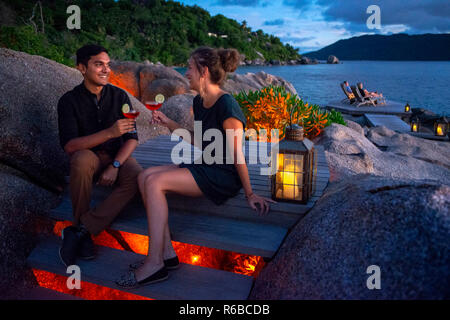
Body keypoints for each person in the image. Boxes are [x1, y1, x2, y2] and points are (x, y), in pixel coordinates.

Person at [115, 47, 275, 288]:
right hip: (207, 163)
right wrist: (168, 122)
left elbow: (237, 155)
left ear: (204, 71)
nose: (186, 72)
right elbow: (201, 141)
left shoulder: (227, 106)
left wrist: (250, 193)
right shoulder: (200, 102)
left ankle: (154, 262)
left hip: (223, 174)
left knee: (154, 182)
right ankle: (167, 253)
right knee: (144, 176)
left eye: (189, 68)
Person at [57, 44, 143, 267]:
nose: (106, 70)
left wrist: (115, 165)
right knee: (81, 160)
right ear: (82, 68)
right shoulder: (68, 101)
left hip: (116, 156)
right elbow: (70, 146)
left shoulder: (119, 96)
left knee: (136, 175)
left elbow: (132, 138)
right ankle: (82, 231)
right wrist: (109, 133)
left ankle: (81, 231)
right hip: (89, 158)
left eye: (108, 65)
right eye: (98, 64)